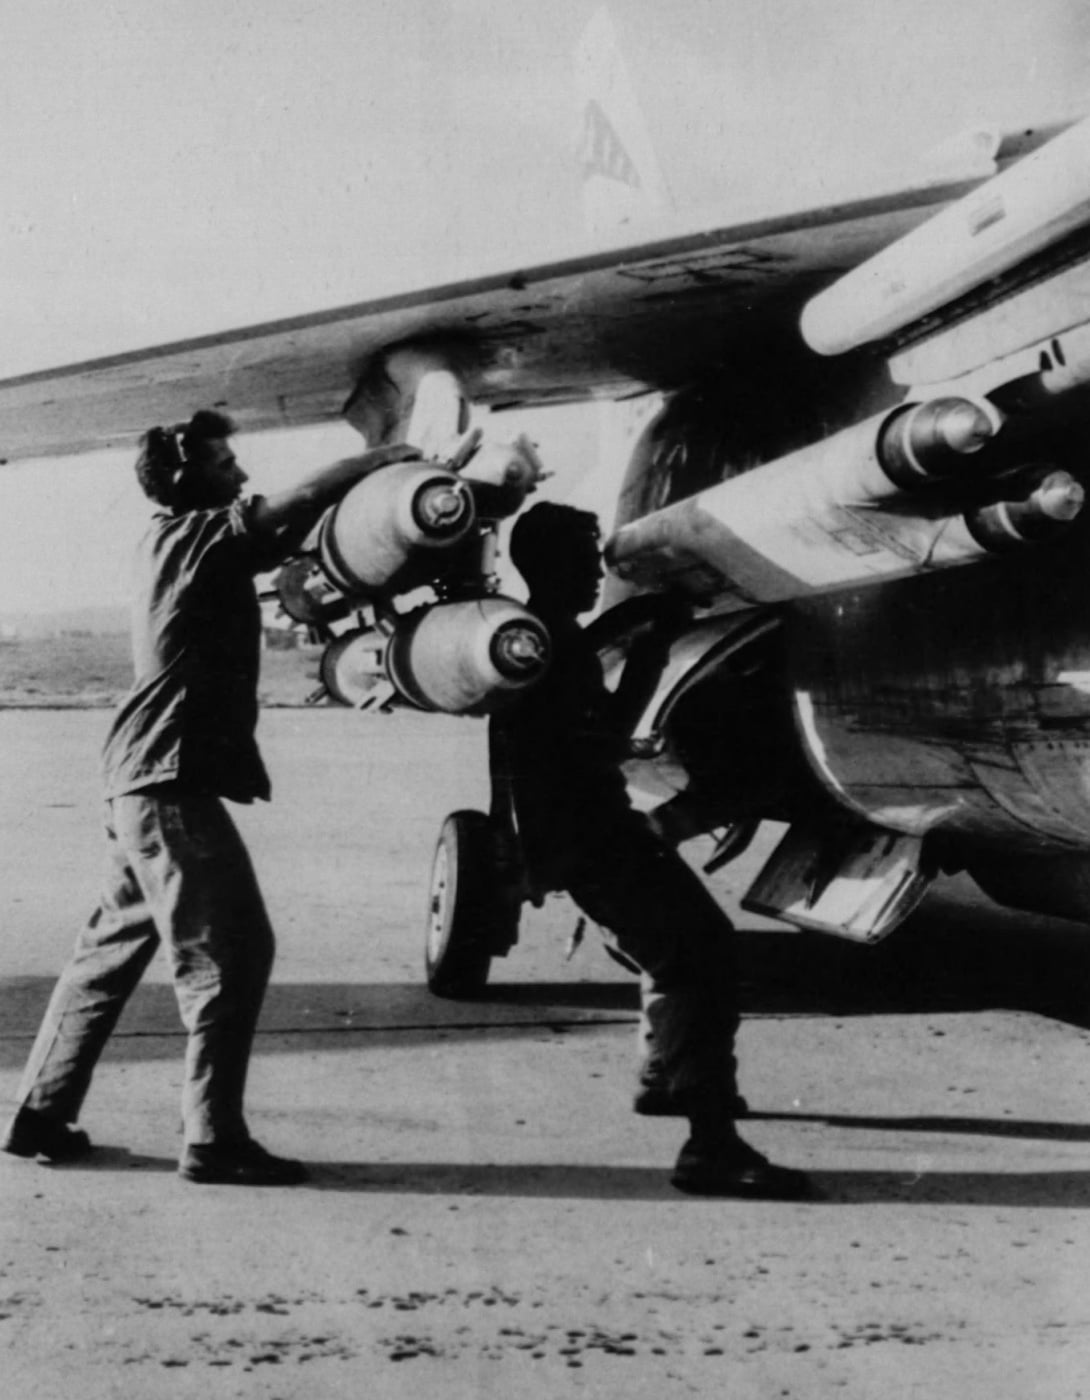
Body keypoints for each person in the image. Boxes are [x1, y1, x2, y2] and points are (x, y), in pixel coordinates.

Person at [1, 410, 419, 1186]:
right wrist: (390, 456)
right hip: (168, 783)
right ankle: (212, 1139)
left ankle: (39, 1113)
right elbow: (295, 499)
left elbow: (295, 531)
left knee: (110, 949)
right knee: (232, 950)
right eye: (227, 464)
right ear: (191, 480)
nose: (241, 474)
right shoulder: (194, 537)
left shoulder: (180, 547)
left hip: (141, 778)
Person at [492, 502, 810, 1198]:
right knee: (699, 952)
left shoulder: (539, 636)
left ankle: (664, 1080)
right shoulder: (555, 648)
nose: (595, 570)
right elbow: (605, 739)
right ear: (547, 565)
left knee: (674, 950)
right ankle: (710, 1146)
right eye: (581, 557)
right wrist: (651, 652)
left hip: (580, 836)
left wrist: (637, 631)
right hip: (592, 837)